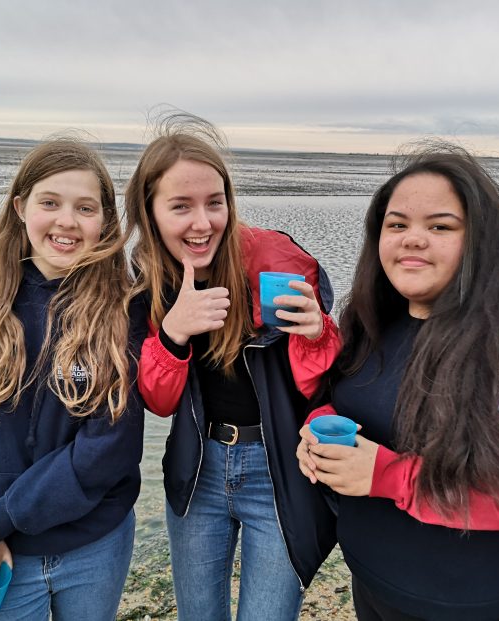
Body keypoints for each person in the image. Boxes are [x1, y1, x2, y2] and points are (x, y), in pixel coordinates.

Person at [296, 143, 499, 621]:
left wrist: (390, 476)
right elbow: (344, 396)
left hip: (473, 602)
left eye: (440, 226)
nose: (413, 239)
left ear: (480, 241)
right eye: (397, 224)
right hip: (373, 580)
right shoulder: (373, 317)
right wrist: (318, 429)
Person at [0, 139, 145, 621]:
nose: (67, 222)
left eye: (85, 208)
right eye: (50, 203)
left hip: (95, 540)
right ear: (20, 206)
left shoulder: (126, 305)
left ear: (105, 221)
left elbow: (110, 446)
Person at [123, 114, 338, 621]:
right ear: (149, 212)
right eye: (181, 206)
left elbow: (324, 379)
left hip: (277, 468)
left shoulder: (276, 260)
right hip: (198, 471)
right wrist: (175, 332)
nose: (203, 223)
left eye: (214, 203)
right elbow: (159, 401)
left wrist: (316, 333)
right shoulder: (149, 277)